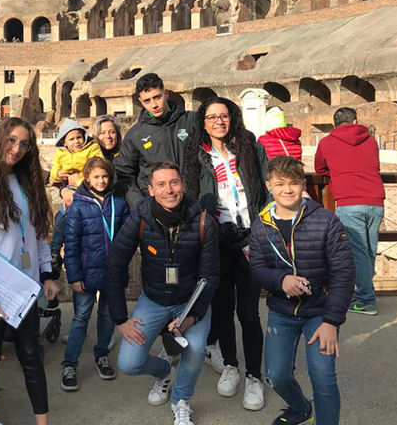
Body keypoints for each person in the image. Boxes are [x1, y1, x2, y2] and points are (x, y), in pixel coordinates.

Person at [105, 162, 219, 425]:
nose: (169, 190)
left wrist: (192, 317)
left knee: (196, 349)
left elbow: (210, 277)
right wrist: (120, 319)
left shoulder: (203, 221)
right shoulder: (140, 219)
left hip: (189, 302)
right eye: (161, 184)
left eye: (174, 182)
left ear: (183, 185)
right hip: (154, 300)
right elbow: (115, 266)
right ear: (151, 189)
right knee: (128, 363)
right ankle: (164, 370)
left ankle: (181, 400)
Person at [0, 117, 60, 425]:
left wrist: (47, 274)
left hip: (26, 286)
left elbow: (36, 234)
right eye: (11, 140)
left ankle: (42, 421)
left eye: (23, 144)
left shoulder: (27, 184)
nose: (16, 149)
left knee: (32, 356)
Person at [249, 156, 355, 425]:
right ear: (268, 186)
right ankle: (300, 408)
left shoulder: (326, 221)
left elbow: (344, 273)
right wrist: (280, 280)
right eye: (280, 184)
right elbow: (257, 268)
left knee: (323, 376)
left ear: (303, 184)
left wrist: (332, 321)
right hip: (281, 312)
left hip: (320, 312)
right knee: (276, 375)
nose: (287, 189)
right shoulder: (260, 224)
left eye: (294, 183)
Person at [182, 97, 268, 411]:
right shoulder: (196, 157)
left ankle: (254, 376)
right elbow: (190, 200)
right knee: (222, 309)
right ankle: (230, 364)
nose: (219, 121)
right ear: (202, 123)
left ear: (232, 118)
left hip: (249, 240)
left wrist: (263, 230)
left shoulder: (251, 149)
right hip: (216, 241)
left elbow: (267, 192)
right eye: (211, 117)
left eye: (224, 116)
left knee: (248, 313)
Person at [60, 157, 130, 391]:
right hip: (87, 273)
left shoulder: (119, 204)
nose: (101, 181)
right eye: (96, 177)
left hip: (113, 273)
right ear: (87, 178)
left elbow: (128, 237)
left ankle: (101, 355)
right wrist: (74, 276)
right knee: (80, 318)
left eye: (105, 176)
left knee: (107, 316)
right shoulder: (78, 206)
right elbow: (71, 244)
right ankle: (70, 363)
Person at [315, 107, 384, 316]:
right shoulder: (370, 140)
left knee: (358, 252)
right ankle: (365, 292)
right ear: (355, 121)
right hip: (376, 200)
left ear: (334, 123)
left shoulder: (326, 142)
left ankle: (365, 299)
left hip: (349, 200)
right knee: (369, 251)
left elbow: (320, 169)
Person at [114, 73, 197, 209]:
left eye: (157, 97)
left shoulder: (191, 121)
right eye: (147, 101)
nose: (154, 105)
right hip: (156, 208)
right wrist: (141, 204)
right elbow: (124, 173)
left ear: (166, 93)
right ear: (141, 102)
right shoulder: (135, 134)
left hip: (192, 204)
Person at [48, 119, 103, 279]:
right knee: (61, 216)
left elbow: (99, 167)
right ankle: (55, 249)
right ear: (64, 141)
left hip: (88, 188)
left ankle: (57, 249)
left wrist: (79, 180)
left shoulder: (92, 148)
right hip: (70, 189)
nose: (76, 142)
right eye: (71, 139)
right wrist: (57, 175)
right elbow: (54, 171)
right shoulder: (61, 153)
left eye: (79, 137)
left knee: (71, 216)